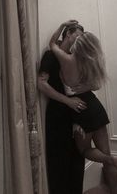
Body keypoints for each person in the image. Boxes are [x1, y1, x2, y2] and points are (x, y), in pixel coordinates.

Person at [49, 20, 117, 194]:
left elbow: (52, 43)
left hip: (80, 110)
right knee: (105, 150)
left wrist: (63, 25)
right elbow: (96, 85)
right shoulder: (88, 62)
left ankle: (112, 159)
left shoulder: (66, 59)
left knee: (84, 150)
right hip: (95, 107)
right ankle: (115, 185)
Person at [38, 22, 87, 194]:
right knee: (58, 161)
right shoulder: (51, 55)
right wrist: (67, 102)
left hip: (76, 115)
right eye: (78, 36)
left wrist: (78, 117)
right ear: (68, 34)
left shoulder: (76, 60)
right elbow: (41, 84)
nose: (80, 40)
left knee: (77, 159)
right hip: (57, 115)